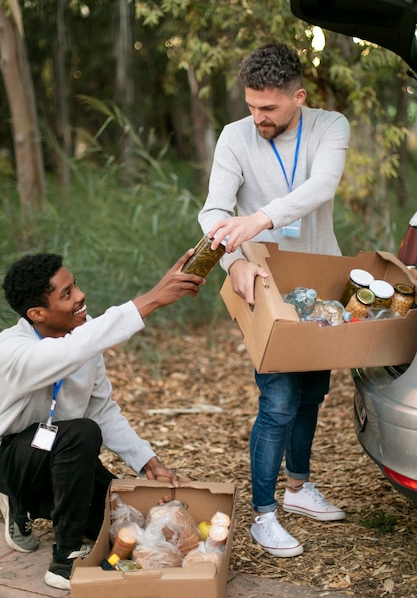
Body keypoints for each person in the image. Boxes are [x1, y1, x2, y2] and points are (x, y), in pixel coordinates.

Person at [198, 42, 350, 558]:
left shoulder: (331, 127)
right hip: (261, 282)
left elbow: (323, 185)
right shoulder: (234, 137)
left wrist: (259, 218)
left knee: (312, 396)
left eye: (269, 108)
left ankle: (299, 488)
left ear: (298, 97)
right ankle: (265, 515)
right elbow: (214, 211)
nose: (257, 117)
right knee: (279, 401)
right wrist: (234, 260)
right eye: (250, 106)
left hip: (321, 280)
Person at [0, 250, 205, 589]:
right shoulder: (12, 351)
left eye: (75, 285)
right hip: (12, 458)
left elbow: (101, 409)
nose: (80, 296)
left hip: (58, 454)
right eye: (66, 294)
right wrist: (152, 299)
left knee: (118, 523)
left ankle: (35, 504)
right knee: (81, 433)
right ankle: (63, 557)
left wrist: (146, 460)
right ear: (37, 313)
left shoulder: (84, 334)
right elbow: (69, 352)